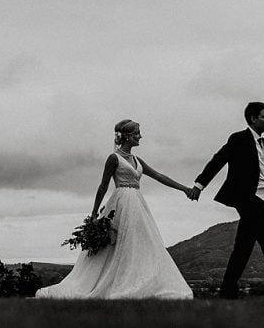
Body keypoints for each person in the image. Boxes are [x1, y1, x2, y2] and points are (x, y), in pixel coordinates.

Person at [36, 119, 195, 299]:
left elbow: (159, 176)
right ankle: (114, 284)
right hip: (120, 204)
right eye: (137, 133)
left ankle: (138, 282)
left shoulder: (137, 160)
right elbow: (103, 186)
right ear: (127, 136)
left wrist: (185, 189)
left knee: (140, 243)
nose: (140, 136)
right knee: (117, 245)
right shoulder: (114, 158)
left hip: (138, 204)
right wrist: (94, 213)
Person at [189, 101, 264, 299]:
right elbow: (218, 159)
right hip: (247, 200)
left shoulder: (263, 145)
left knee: (242, 249)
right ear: (253, 119)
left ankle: (227, 293)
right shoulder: (239, 139)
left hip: (262, 202)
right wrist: (199, 185)